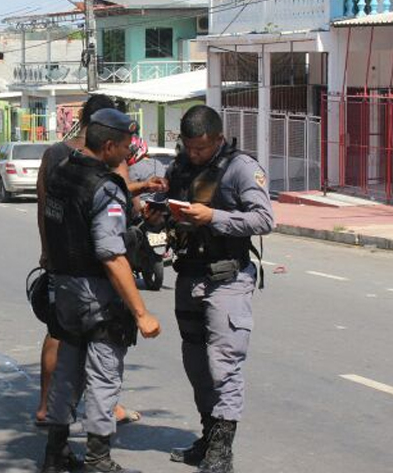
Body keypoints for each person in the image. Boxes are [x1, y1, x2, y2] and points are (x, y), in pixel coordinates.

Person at [40, 109, 161, 473]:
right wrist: (142, 313)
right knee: (104, 374)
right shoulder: (104, 187)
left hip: (63, 288)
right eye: (125, 146)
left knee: (67, 372)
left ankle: (55, 453)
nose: (128, 153)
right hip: (96, 294)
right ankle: (98, 458)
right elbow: (111, 254)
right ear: (108, 146)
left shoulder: (62, 172)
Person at [162, 105, 274, 473]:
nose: (194, 154)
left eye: (202, 148)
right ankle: (208, 437)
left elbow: (263, 219)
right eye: (189, 147)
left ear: (219, 139)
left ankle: (222, 452)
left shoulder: (241, 168)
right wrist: (158, 214)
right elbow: (170, 211)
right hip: (189, 276)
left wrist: (214, 217)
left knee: (222, 364)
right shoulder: (178, 168)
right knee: (195, 364)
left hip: (227, 279)